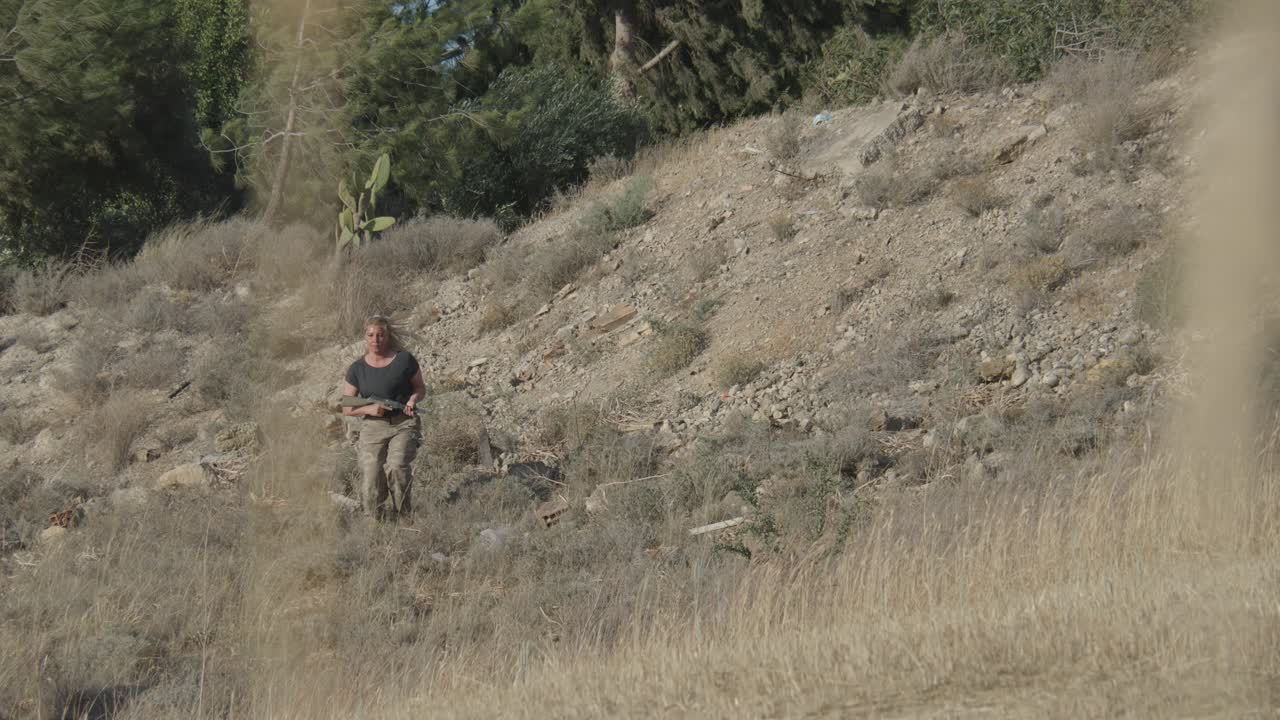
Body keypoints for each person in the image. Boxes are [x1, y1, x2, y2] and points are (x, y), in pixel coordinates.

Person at [341, 315, 427, 521]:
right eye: (371, 335)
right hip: (373, 427)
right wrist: (370, 409)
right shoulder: (357, 369)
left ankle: (403, 516)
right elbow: (347, 406)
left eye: (380, 335)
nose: (375, 339)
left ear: (387, 336)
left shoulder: (404, 360)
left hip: (403, 423)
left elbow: (420, 388)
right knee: (371, 474)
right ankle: (373, 520)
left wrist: (413, 400)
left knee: (397, 467)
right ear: (365, 337)